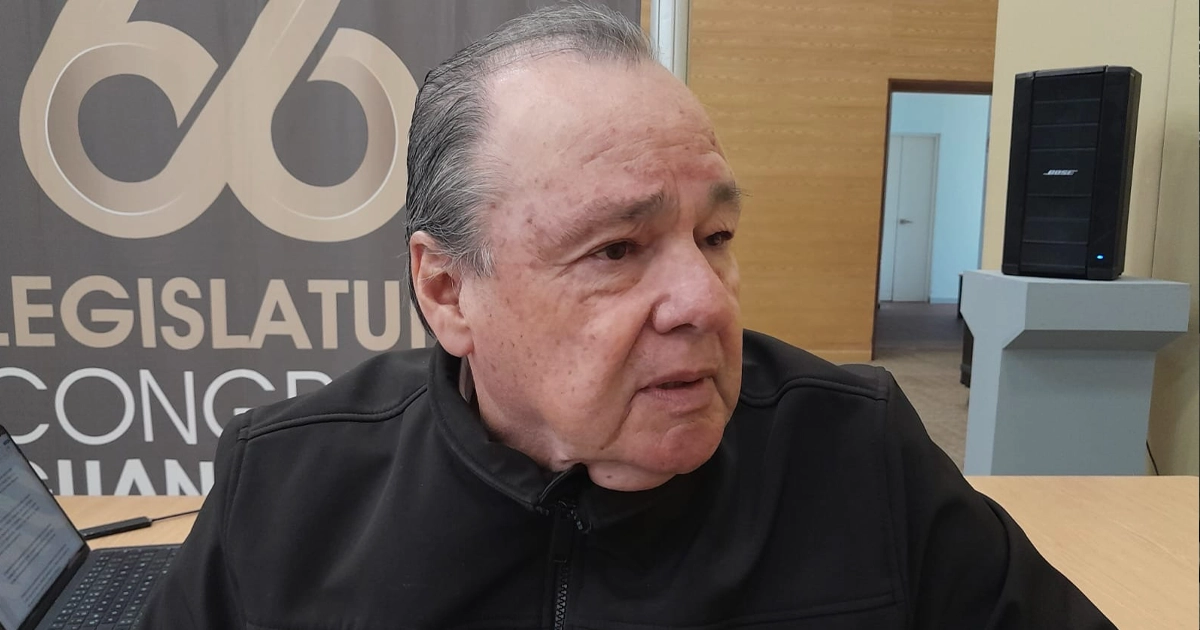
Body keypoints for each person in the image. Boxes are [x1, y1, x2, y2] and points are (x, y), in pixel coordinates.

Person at [139, 3, 1116, 628]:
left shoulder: (855, 449)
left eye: (716, 236)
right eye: (615, 250)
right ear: (446, 291)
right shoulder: (288, 483)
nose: (704, 300)